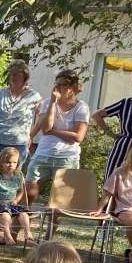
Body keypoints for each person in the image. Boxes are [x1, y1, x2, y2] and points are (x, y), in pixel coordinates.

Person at [26, 69, 89, 203]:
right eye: (57, 84)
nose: (58, 88)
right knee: (29, 191)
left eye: (63, 85)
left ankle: (52, 224)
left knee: (61, 199)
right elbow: (46, 128)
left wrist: (54, 132)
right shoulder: (48, 103)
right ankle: (26, 216)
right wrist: (53, 103)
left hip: (67, 157)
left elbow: (78, 137)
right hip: (44, 153)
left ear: (72, 88)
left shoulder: (81, 107)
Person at [0, 61, 42, 168]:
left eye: (17, 74)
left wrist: (31, 135)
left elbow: (42, 117)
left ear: (25, 77)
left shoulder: (34, 96)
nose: (13, 77)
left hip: (17, 145)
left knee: (12, 179)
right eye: (11, 74)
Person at [0, 146, 31, 246]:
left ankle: (27, 232)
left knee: (23, 214)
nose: (11, 165)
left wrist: (16, 200)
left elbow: (21, 191)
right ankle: (7, 235)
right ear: (1, 162)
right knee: (6, 215)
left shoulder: (18, 176)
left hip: (12, 203)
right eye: (8, 162)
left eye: (14, 162)